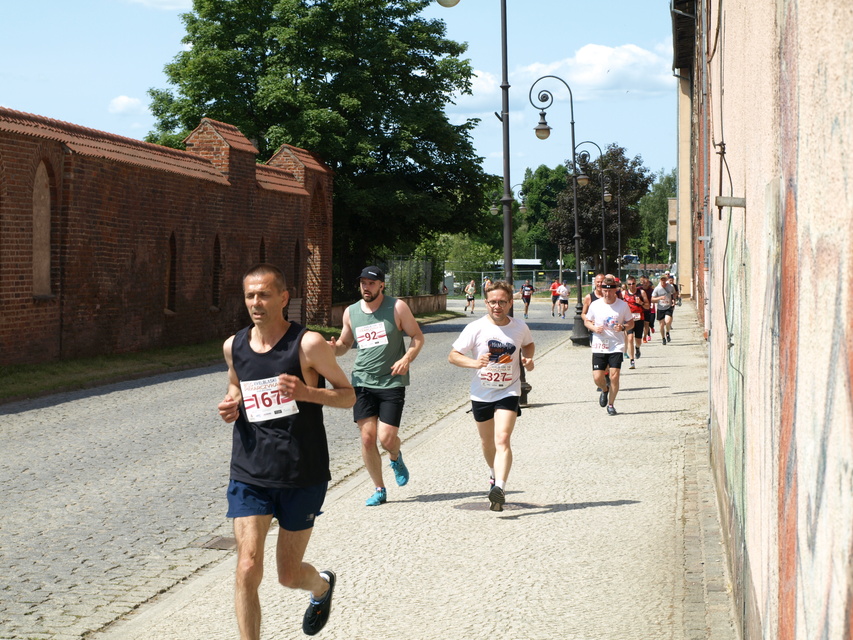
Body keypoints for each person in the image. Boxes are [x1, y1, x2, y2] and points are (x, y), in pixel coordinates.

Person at [217, 263, 356, 639]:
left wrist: (307, 392)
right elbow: (236, 387)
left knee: (288, 574)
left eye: (264, 294)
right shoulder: (235, 346)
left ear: (283, 298)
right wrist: (232, 404)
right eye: (250, 295)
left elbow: (348, 395)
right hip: (250, 470)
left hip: (301, 471)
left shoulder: (307, 344)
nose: (256, 302)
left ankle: (321, 586)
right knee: (247, 566)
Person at [329, 266, 425, 506]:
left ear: (381, 285)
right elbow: (344, 344)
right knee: (367, 438)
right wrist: (334, 349)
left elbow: (417, 337)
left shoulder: (397, 307)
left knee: (387, 438)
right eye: (362, 283)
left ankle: (395, 456)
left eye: (371, 283)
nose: (366, 287)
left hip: (392, 380)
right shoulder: (351, 312)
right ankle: (379, 489)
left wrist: (406, 359)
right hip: (362, 380)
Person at [448, 280, 534, 512]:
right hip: (481, 392)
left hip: (509, 390)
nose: (497, 306)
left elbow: (528, 345)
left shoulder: (519, 327)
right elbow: (453, 356)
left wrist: (527, 359)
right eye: (493, 302)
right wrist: (474, 362)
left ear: (510, 303)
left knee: (502, 438)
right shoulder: (475, 328)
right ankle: (493, 473)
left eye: (502, 302)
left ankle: (500, 488)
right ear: (486, 303)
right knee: (487, 442)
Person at [584, 275, 634, 416]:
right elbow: (587, 321)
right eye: (605, 290)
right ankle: (605, 390)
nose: (608, 293)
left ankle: (611, 404)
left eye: (611, 290)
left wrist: (623, 327)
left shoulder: (622, 305)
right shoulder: (595, 305)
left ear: (615, 290)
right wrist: (593, 328)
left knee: (614, 375)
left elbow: (631, 323)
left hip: (616, 345)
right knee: (597, 378)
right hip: (599, 345)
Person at [621, 276, 648, 369]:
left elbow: (647, 306)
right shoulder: (623, 293)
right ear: (627, 285)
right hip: (628, 319)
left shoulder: (641, 292)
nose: (631, 286)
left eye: (633, 284)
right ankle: (632, 360)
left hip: (639, 318)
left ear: (636, 283)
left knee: (638, 340)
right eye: (629, 284)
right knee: (630, 338)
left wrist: (641, 303)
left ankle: (638, 348)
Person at [651, 274, 676, 344]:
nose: (663, 281)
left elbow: (674, 293)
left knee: (667, 321)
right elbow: (652, 299)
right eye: (662, 279)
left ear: (667, 280)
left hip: (668, 307)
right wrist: (659, 298)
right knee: (661, 325)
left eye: (664, 279)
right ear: (660, 280)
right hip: (660, 308)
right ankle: (663, 338)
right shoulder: (657, 288)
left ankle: (667, 333)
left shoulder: (670, 286)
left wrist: (674, 299)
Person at [638, 275, 655, 343]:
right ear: (641, 282)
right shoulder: (638, 289)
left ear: (649, 282)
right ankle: (638, 335)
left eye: (646, 282)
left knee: (646, 324)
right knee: (640, 324)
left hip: (648, 309)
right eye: (643, 282)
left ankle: (644, 336)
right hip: (639, 309)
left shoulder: (651, 290)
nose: (645, 283)